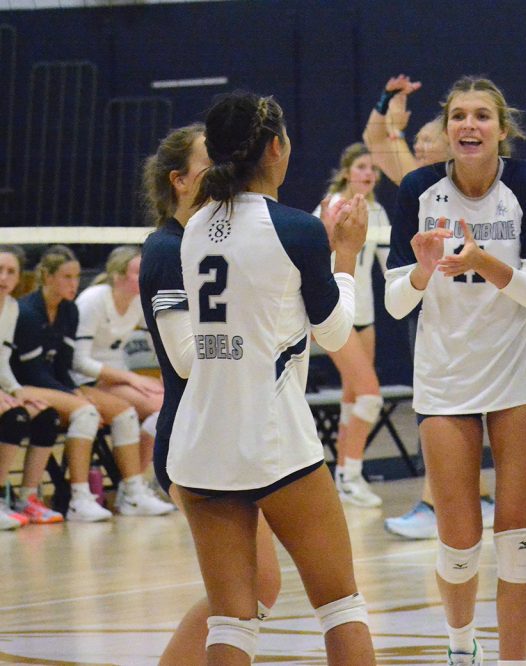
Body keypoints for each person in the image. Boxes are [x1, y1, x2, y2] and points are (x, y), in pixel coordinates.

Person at [169, 92, 374, 664]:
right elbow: (334, 332)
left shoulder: (194, 226)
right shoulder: (295, 229)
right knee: (340, 604)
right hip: (271, 438)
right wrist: (346, 256)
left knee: (231, 621)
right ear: (276, 148)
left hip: (201, 443)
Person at [384, 76, 526, 665]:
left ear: (501, 130)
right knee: (458, 542)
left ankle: (514, 660)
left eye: (482, 115)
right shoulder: (418, 188)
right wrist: (422, 270)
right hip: (446, 376)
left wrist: (482, 261)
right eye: (458, 115)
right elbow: (395, 304)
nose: (468, 125)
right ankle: (462, 649)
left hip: (517, 371)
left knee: (517, 537)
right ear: (446, 129)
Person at [138, 123, 282, 664]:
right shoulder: (166, 250)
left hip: (229, 435)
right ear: (179, 180)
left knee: (256, 588)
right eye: (209, 163)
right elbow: (184, 358)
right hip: (192, 440)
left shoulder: (216, 244)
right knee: (243, 592)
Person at [362, 74, 495, 539]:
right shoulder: (422, 185)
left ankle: (444, 502)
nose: (418, 148)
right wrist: (386, 104)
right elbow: (377, 141)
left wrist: (392, 127)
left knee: (454, 409)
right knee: (446, 410)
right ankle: (465, 499)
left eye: (426, 140)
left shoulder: (478, 184)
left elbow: (383, 145)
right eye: (414, 141)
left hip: (475, 310)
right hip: (432, 306)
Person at [10, 245, 147, 523]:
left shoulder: (69, 311)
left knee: (124, 412)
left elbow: (63, 365)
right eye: (67, 277)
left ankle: (133, 493)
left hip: (53, 385)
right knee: (86, 412)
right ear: (47, 277)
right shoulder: (28, 312)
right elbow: (33, 372)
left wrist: (74, 391)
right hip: (23, 385)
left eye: (75, 277)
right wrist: (74, 396)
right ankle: (79, 498)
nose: (74, 284)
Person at [312, 143, 390, 508]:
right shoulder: (328, 207)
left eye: (373, 168)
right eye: (361, 166)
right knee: (371, 396)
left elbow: (391, 265)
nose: (368, 173)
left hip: (366, 315)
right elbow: (312, 261)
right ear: (346, 172)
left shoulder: (378, 211)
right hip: (335, 312)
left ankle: (343, 474)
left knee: (353, 396)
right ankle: (353, 475)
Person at [73, 244, 174, 516]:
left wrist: (169, 376)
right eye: (137, 272)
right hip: (85, 379)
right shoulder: (94, 300)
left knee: (171, 404)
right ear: (118, 276)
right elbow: (78, 361)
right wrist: (130, 378)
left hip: (117, 378)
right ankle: (132, 489)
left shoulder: (138, 302)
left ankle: (138, 484)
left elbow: (159, 345)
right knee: (158, 407)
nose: (144, 277)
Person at [0, 244, 64, 526]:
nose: (3, 277)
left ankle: (27, 498)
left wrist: (17, 392)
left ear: (19, 278)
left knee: (45, 415)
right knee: (13, 417)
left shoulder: (11, 308)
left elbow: (2, 361)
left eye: (10, 271)